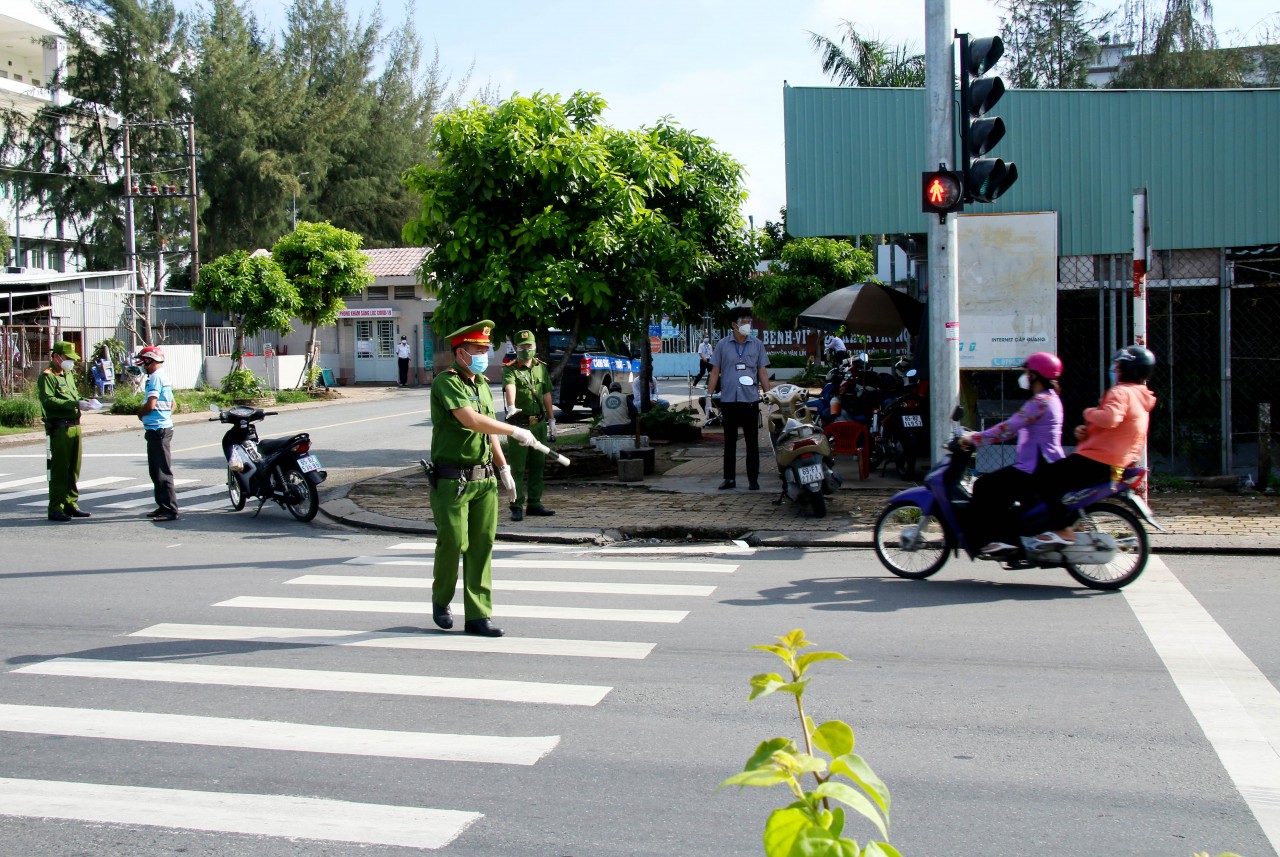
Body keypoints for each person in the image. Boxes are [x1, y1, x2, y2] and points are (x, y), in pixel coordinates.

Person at [428, 320, 540, 638]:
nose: (484, 356)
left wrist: (503, 468)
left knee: (481, 546)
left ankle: (478, 615)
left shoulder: (480, 384)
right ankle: (441, 600)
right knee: (453, 541)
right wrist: (516, 429)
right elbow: (471, 420)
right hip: (452, 481)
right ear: (461, 353)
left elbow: (488, 429)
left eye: (486, 350)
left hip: (484, 479)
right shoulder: (446, 382)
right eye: (479, 350)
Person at [1033, 345, 1157, 547]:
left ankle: (1063, 530)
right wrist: (1088, 430)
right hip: (1119, 461)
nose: (1115, 370)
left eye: (1118, 366)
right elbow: (1122, 427)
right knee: (1067, 488)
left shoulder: (1120, 391)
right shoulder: (1141, 395)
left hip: (1099, 459)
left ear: (1128, 369)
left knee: (1045, 479)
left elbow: (1110, 419)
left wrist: (1088, 413)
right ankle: (1076, 524)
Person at [958, 352, 1065, 554]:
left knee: (984, 486)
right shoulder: (1052, 399)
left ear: (1035, 375)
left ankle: (1001, 539)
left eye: (1027, 372)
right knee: (1001, 491)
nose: (1024, 376)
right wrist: (980, 436)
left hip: (1034, 468)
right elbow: (1011, 430)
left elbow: (1008, 428)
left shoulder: (1040, 401)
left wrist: (974, 439)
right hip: (1044, 465)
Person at [707, 307, 771, 490]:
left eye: (749, 321)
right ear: (734, 324)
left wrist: (769, 395)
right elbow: (714, 373)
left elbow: (762, 372)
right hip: (729, 400)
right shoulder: (722, 345)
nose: (747, 325)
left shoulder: (757, 344)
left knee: (752, 442)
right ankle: (729, 478)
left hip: (750, 400)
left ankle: (753, 479)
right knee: (730, 442)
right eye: (744, 321)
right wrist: (708, 396)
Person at [502, 329, 556, 522]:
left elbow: (546, 394)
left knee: (537, 465)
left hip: (539, 424)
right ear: (516, 348)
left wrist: (551, 420)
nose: (526, 350)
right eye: (523, 347)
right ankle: (516, 505)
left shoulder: (541, 368)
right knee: (517, 468)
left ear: (535, 347)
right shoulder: (510, 369)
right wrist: (511, 406)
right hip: (519, 425)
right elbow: (510, 387)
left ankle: (534, 503)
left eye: (529, 346)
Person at [37, 341, 90, 522]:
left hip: (75, 426)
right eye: (67, 358)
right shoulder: (47, 376)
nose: (70, 362)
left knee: (73, 469)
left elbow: (73, 396)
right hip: (60, 428)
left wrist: (84, 401)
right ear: (56, 356)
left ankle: (70, 504)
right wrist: (75, 404)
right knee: (60, 469)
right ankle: (56, 507)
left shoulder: (67, 374)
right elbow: (49, 401)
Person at [135, 345, 178, 521]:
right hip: (159, 428)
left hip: (159, 430)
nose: (142, 365)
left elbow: (151, 404)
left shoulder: (155, 378)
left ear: (150, 361)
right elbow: (173, 404)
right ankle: (162, 506)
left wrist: (140, 413)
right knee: (156, 470)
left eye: (144, 361)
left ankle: (169, 509)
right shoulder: (162, 376)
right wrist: (165, 416)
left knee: (162, 471)